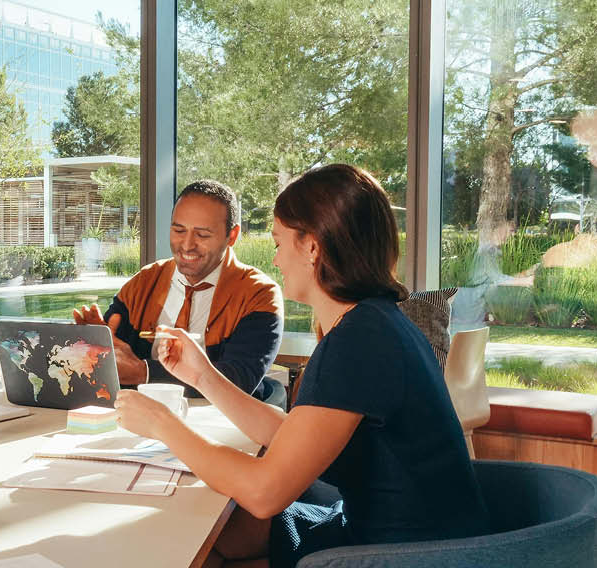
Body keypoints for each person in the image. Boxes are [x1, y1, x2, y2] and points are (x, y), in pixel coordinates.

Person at [114, 164, 490, 567]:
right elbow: (292, 434)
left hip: (402, 555)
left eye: (278, 242)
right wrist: (202, 374)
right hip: (392, 532)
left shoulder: (359, 341)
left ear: (312, 247)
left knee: (202, 540)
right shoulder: (376, 321)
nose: (275, 258)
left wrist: (163, 426)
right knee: (217, 535)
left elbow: (264, 493)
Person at [74, 180, 285, 404]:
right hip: (142, 419)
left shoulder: (259, 295)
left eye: (202, 235)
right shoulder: (144, 282)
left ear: (232, 236)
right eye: (178, 230)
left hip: (222, 425)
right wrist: (98, 347)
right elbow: (115, 362)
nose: (186, 245)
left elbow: (237, 379)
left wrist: (144, 372)